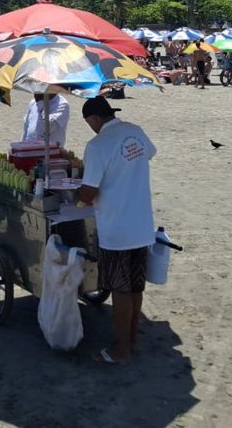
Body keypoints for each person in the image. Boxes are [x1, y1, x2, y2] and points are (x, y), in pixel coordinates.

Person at [76, 97, 157, 365]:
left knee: (121, 290)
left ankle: (121, 350)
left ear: (94, 119)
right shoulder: (135, 131)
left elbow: (89, 192)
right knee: (135, 286)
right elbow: (149, 153)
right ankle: (131, 340)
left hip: (117, 229)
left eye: (89, 123)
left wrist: (76, 196)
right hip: (142, 224)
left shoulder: (97, 145)